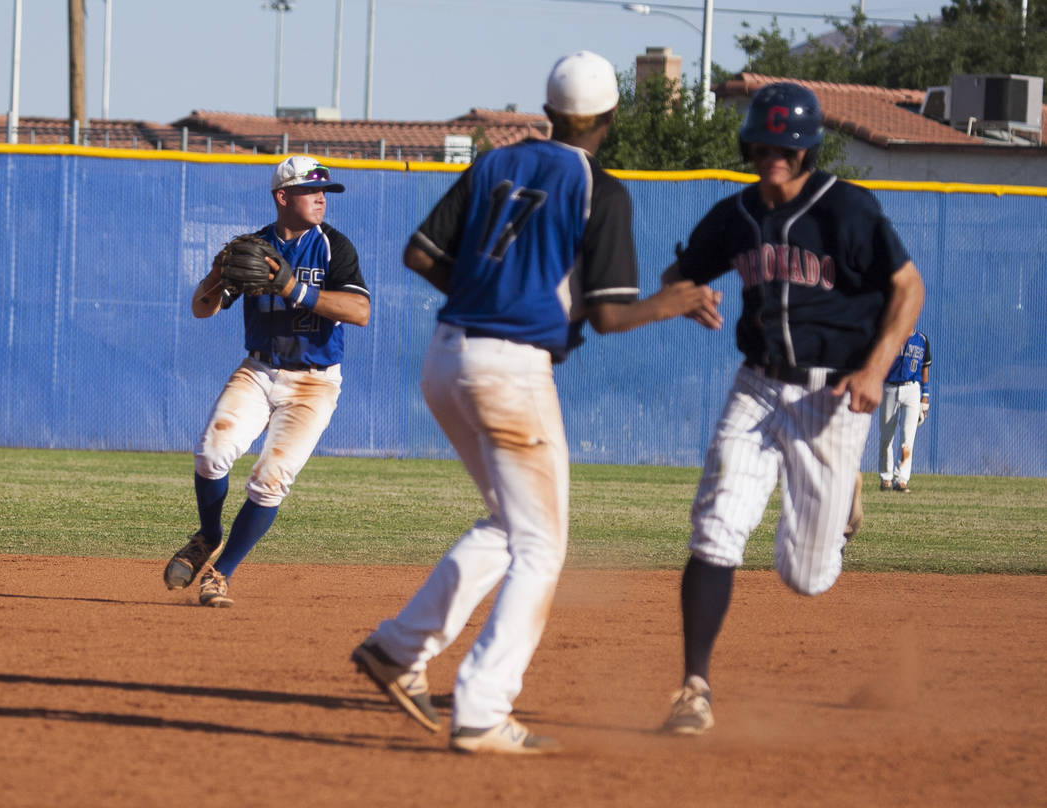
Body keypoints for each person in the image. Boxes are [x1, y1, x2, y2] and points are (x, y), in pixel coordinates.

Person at [350, 50, 711, 755]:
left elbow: (420, 255)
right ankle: (483, 708)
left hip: (447, 356)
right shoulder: (598, 188)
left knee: (511, 526)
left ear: (548, 111)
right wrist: (671, 302)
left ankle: (397, 649)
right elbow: (607, 317)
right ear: (611, 117)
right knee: (543, 547)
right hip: (511, 372)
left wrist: (484, 295)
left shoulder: (494, 163)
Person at [658, 82, 925, 735]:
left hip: (832, 398)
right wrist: (687, 296)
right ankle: (694, 689)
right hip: (756, 387)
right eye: (765, 142)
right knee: (717, 525)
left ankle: (839, 506)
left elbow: (908, 286)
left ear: (807, 149)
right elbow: (679, 278)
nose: (775, 154)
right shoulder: (735, 216)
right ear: (750, 142)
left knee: (805, 576)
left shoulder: (846, 210)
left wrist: (876, 367)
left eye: (789, 144)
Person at [162, 155, 371, 607]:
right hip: (259, 371)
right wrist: (217, 274)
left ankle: (222, 572)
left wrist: (295, 289)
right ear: (283, 197)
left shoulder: (335, 247)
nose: (321, 198)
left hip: (314, 384)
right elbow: (203, 308)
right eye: (311, 191)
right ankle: (208, 536)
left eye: (325, 192)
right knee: (211, 452)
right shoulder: (252, 247)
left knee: (270, 479)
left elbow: (360, 313)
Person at [878, 328, 932, 492]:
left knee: (908, 437)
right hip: (890, 387)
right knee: (887, 435)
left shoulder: (921, 339)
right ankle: (886, 478)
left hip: (912, 389)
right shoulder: (889, 334)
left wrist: (925, 395)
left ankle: (901, 479)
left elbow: (925, 367)